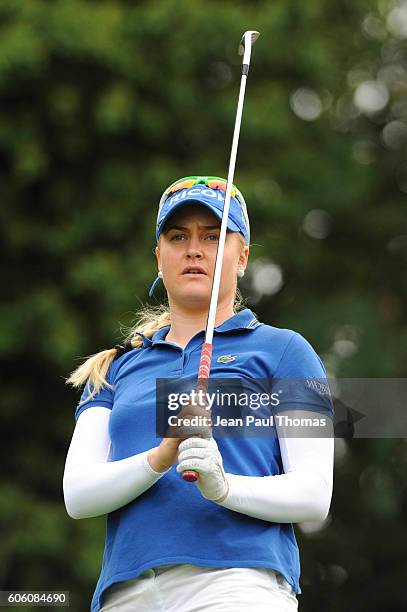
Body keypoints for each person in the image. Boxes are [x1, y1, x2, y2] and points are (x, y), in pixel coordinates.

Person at [63, 175, 334, 612]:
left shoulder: (285, 351)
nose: (194, 249)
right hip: (125, 592)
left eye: (213, 236)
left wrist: (225, 488)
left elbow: (315, 493)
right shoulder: (116, 367)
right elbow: (77, 495)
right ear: (159, 256)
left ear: (242, 256)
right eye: (178, 236)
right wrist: (158, 458)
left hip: (236, 585)